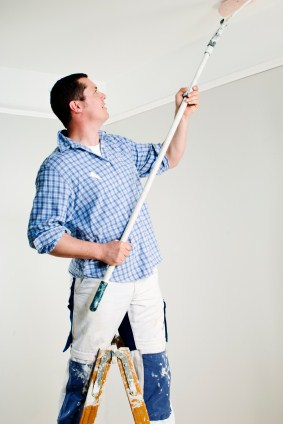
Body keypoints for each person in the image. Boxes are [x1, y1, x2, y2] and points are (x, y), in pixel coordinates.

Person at [28, 73, 199, 423]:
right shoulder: (59, 167)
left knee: (155, 362)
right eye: (94, 91)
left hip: (144, 275)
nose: (103, 94)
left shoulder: (118, 146)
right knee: (85, 371)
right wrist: (101, 251)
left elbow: (169, 158)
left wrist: (181, 118)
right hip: (101, 283)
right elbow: (42, 235)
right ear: (77, 106)